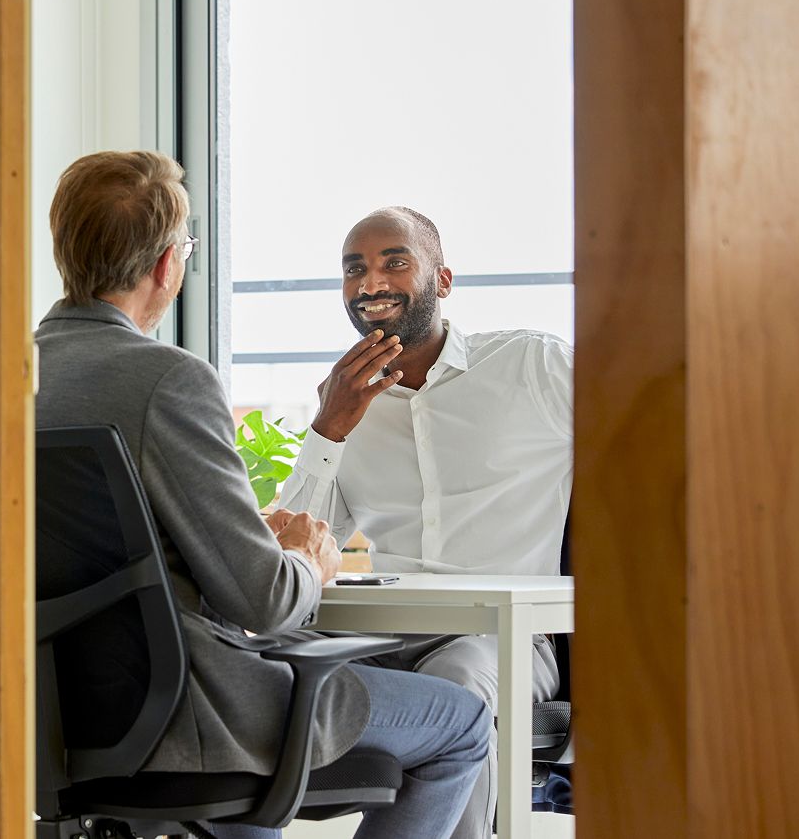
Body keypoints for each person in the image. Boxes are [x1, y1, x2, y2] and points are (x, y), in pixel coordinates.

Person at [36, 152, 490, 839]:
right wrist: (308, 559)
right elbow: (267, 603)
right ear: (166, 265)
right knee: (463, 722)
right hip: (199, 716)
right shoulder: (166, 381)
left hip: (60, 721)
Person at [275, 206, 573, 839]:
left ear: (441, 281)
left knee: (459, 682)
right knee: (251, 675)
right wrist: (331, 428)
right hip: (379, 639)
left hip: (505, 641)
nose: (370, 283)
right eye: (354, 270)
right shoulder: (343, 400)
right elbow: (291, 538)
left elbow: (649, 448)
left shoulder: (534, 368)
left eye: (395, 263)